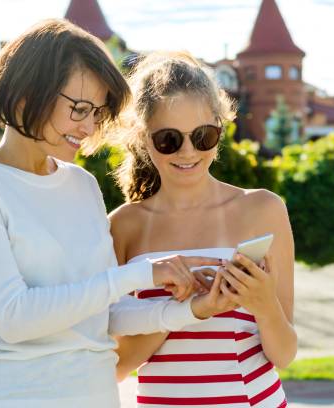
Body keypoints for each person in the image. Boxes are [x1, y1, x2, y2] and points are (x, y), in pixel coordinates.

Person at [0, 20, 229, 407]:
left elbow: (103, 314)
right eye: (79, 109)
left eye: (97, 113)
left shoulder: (82, 185)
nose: (89, 127)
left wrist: (193, 307)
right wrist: (140, 273)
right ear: (25, 93)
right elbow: (14, 318)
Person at [107, 52, 297, 407]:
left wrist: (263, 303)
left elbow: (284, 355)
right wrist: (186, 308)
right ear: (143, 138)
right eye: (168, 139)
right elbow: (116, 366)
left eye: (203, 136)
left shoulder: (264, 209)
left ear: (220, 130)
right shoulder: (121, 226)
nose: (188, 151)